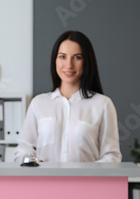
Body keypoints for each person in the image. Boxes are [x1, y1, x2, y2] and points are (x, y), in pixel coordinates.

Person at [15, 30, 122, 163]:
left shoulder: (103, 104)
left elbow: (111, 156)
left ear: (87, 61)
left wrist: (87, 175)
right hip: (45, 182)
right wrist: (35, 164)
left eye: (77, 57)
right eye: (62, 57)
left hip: (88, 183)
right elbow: (23, 151)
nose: (69, 65)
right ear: (55, 60)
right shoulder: (38, 103)